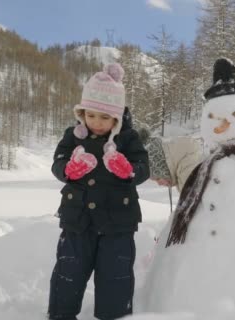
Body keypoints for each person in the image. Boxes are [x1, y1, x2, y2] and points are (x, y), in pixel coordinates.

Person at [47, 63, 149, 320]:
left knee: (115, 277)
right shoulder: (73, 136)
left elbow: (143, 168)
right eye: (91, 115)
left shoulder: (129, 139)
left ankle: (113, 316)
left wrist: (128, 170)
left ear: (117, 116)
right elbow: (57, 163)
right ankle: (61, 314)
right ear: (82, 112)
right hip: (77, 220)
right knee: (68, 273)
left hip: (118, 223)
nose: (96, 123)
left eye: (105, 117)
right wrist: (68, 170)